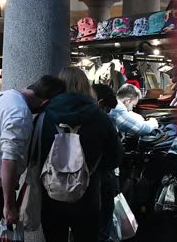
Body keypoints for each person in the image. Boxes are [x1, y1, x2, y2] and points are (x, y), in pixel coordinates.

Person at [0, 75, 66, 242]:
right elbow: (8, 160)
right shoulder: (21, 112)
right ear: (45, 103)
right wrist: (9, 205)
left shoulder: (1, 96)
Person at [39, 67, 123, 241]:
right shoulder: (100, 117)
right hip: (88, 194)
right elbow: (114, 158)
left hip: (51, 193)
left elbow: (34, 154)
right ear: (86, 86)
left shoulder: (44, 115)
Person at [92, 84, 121, 242]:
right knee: (102, 227)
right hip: (101, 178)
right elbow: (116, 156)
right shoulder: (103, 121)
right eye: (107, 109)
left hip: (69, 181)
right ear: (101, 102)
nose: (107, 113)